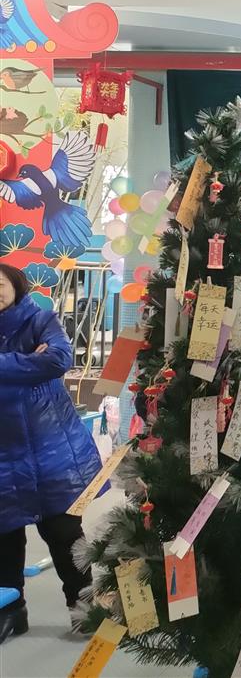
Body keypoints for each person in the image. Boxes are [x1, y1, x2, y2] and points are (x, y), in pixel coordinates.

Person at [0, 262, 100, 643]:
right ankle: (11, 611)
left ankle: (85, 607)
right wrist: (30, 363)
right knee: (4, 538)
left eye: (0, 283)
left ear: (16, 285)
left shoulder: (41, 320)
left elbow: (58, 359)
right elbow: (41, 365)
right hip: (4, 456)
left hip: (51, 450)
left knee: (63, 531)